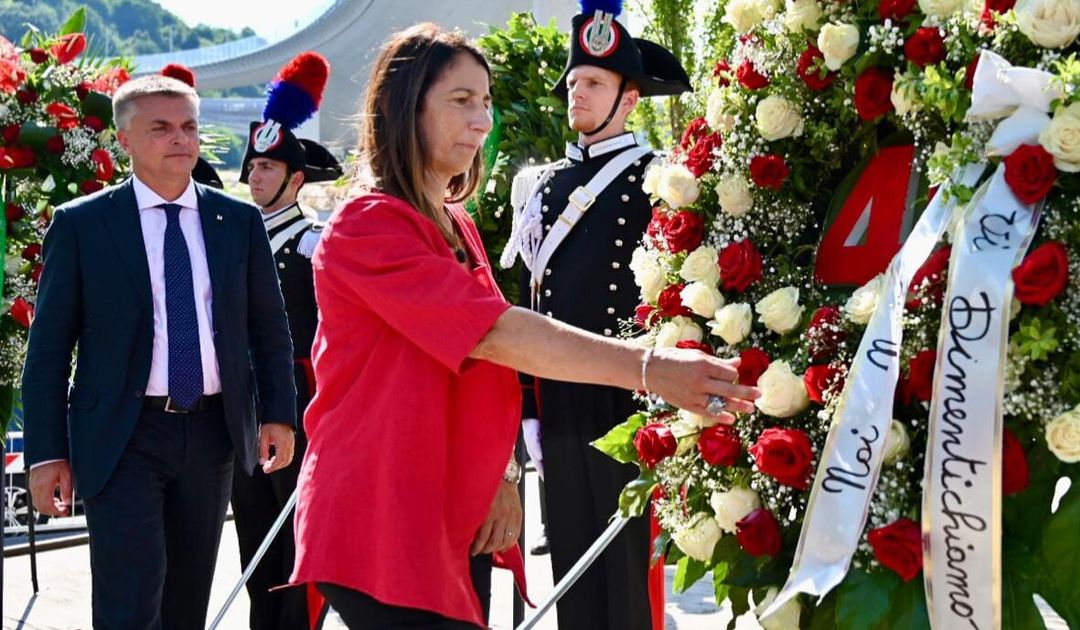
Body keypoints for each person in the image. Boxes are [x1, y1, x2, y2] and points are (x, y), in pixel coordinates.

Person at [288, 22, 754, 630]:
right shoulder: (368, 224)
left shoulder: (453, 220)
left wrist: (502, 474)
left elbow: (484, 370)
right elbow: (493, 333)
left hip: (450, 510)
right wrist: (648, 367)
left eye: (484, 102)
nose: (482, 121)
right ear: (403, 106)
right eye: (461, 101)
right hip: (383, 512)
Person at [22, 74, 297, 630]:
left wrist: (279, 415)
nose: (181, 139)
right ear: (124, 139)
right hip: (124, 437)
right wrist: (47, 453)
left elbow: (268, 329)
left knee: (186, 600)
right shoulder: (83, 225)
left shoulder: (237, 221)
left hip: (213, 433)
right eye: (162, 128)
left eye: (189, 126)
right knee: (130, 600)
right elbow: (48, 348)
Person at [500, 1, 691, 627]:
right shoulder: (544, 185)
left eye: (595, 83)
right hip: (560, 396)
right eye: (575, 81)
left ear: (629, 100)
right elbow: (534, 299)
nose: (577, 93)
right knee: (573, 568)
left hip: (631, 395)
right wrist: (529, 403)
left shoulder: (659, 177)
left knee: (628, 572)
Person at [234, 51, 344, 630]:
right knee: (252, 537)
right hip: (241, 408)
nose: (255, 176)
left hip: (301, 407)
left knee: (295, 540)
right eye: (252, 167)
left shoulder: (314, 247)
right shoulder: (234, 242)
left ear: (296, 179)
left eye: (268, 169)